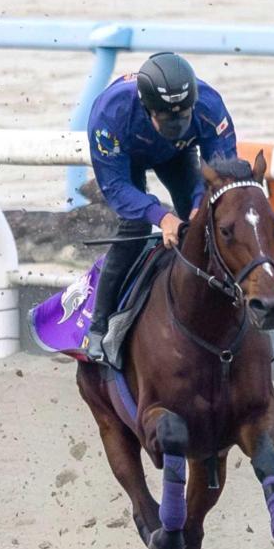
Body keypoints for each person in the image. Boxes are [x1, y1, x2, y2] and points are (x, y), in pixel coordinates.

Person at [84, 51, 237, 362]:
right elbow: (116, 187)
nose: (177, 124)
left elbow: (222, 173)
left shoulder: (209, 106)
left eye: (183, 117)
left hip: (178, 155)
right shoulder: (111, 114)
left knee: (205, 221)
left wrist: (198, 206)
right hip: (126, 153)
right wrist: (161, 217)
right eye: (167, 120)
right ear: (147, 108)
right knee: (137, 228)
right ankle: (98, 327)